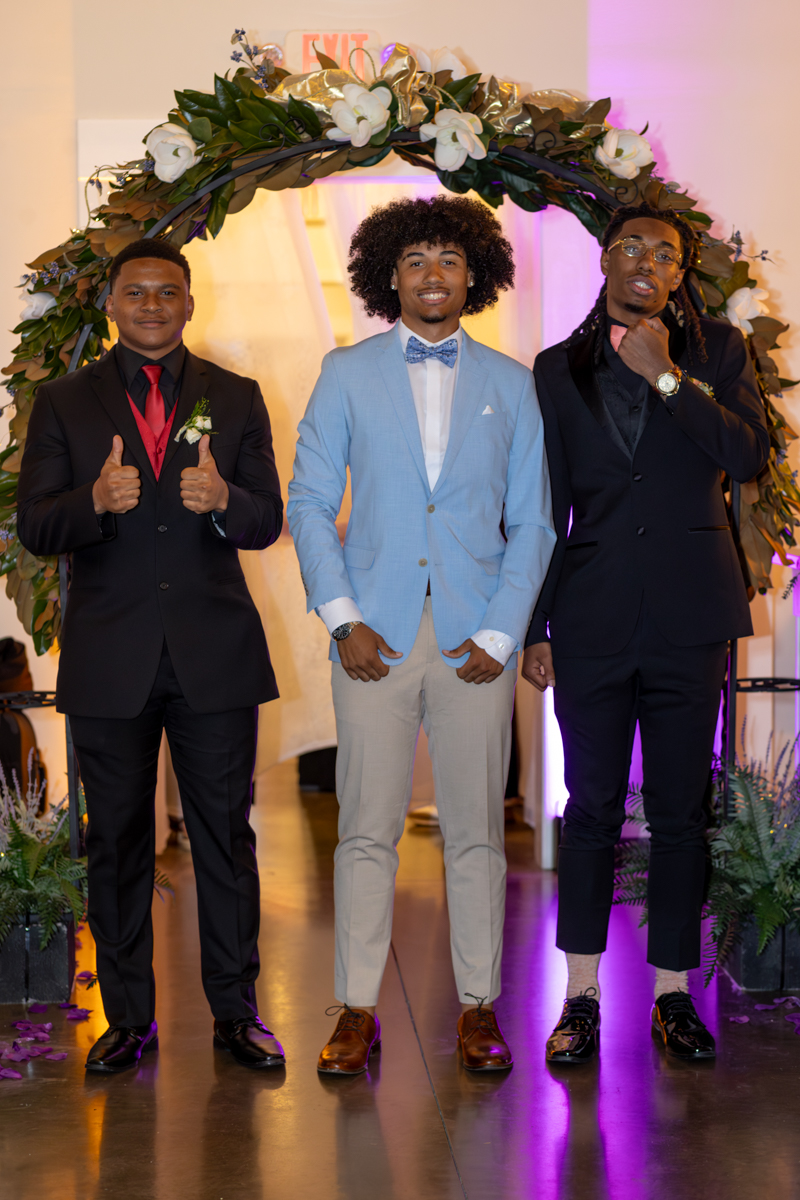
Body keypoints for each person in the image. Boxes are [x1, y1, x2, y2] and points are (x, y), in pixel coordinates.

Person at [288, 196, 555, 1075]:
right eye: (416, 260)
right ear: (388, 276)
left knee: (479, 831)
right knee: (365, 829)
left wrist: (501, 631)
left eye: (449, 258)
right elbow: (310, 505)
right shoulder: (346, 372)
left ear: (473, 272)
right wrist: (342, 620)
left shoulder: (514, 384)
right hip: (374, 637)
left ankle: (478, 1009)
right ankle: (355, 1009)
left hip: (477, 640)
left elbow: (535, 522)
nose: (433, 273)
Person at [18, 238, 287, 1073]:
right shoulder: (63, 401)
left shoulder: (236, 397)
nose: (151, 305)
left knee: (224, 841)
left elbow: (267, 519)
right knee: (118, 843)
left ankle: (237, 1015)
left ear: (189, 302)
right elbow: (35, 523)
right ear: (111, 303)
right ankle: (128, 1018)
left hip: (214, 655)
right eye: (135, 292)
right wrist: (92, 502)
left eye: (167, 292)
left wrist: (225, 500)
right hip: (111, 657)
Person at [522, 202, 770, 1062]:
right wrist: (534, 624)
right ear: (604, 260)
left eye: (662, 253)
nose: (644, 261)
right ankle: (580, 995)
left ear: (677, 272)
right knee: (588, 809)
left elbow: (747, 457)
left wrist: (668, 376)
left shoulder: (717, 355)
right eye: (628, 245)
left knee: (678, 812)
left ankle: (672, 995)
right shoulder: (557, 369)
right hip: (588, 617)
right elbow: (544, 507)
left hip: (689, 616)